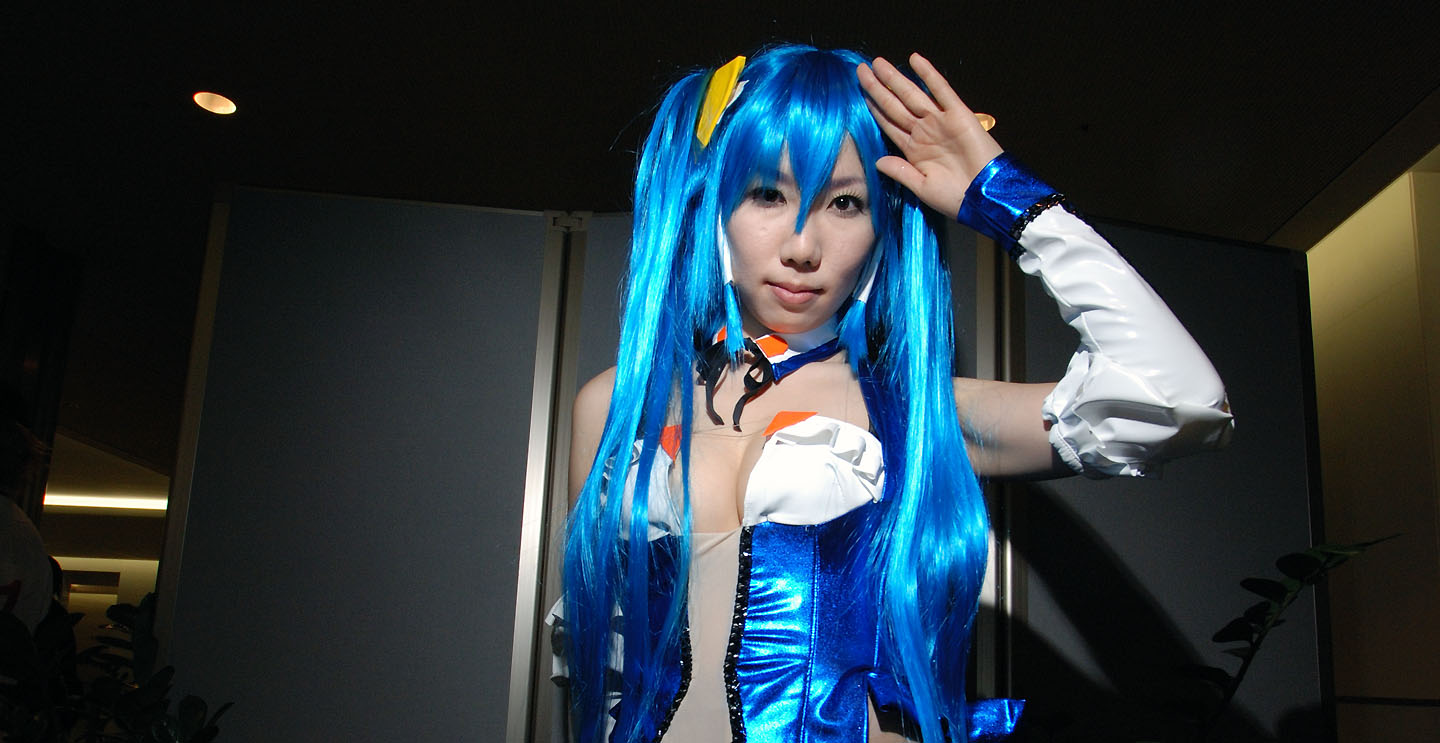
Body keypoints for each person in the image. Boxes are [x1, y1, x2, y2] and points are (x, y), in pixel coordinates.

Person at [554, 45, 1233, 743]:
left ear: (884, 226)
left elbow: (1178, 399)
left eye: (845, 203)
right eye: (768, 194)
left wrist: (1003, 196)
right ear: (714, 204)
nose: (803, 246)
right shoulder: (613, 406)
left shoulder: (920, 414)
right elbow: (593, 669)